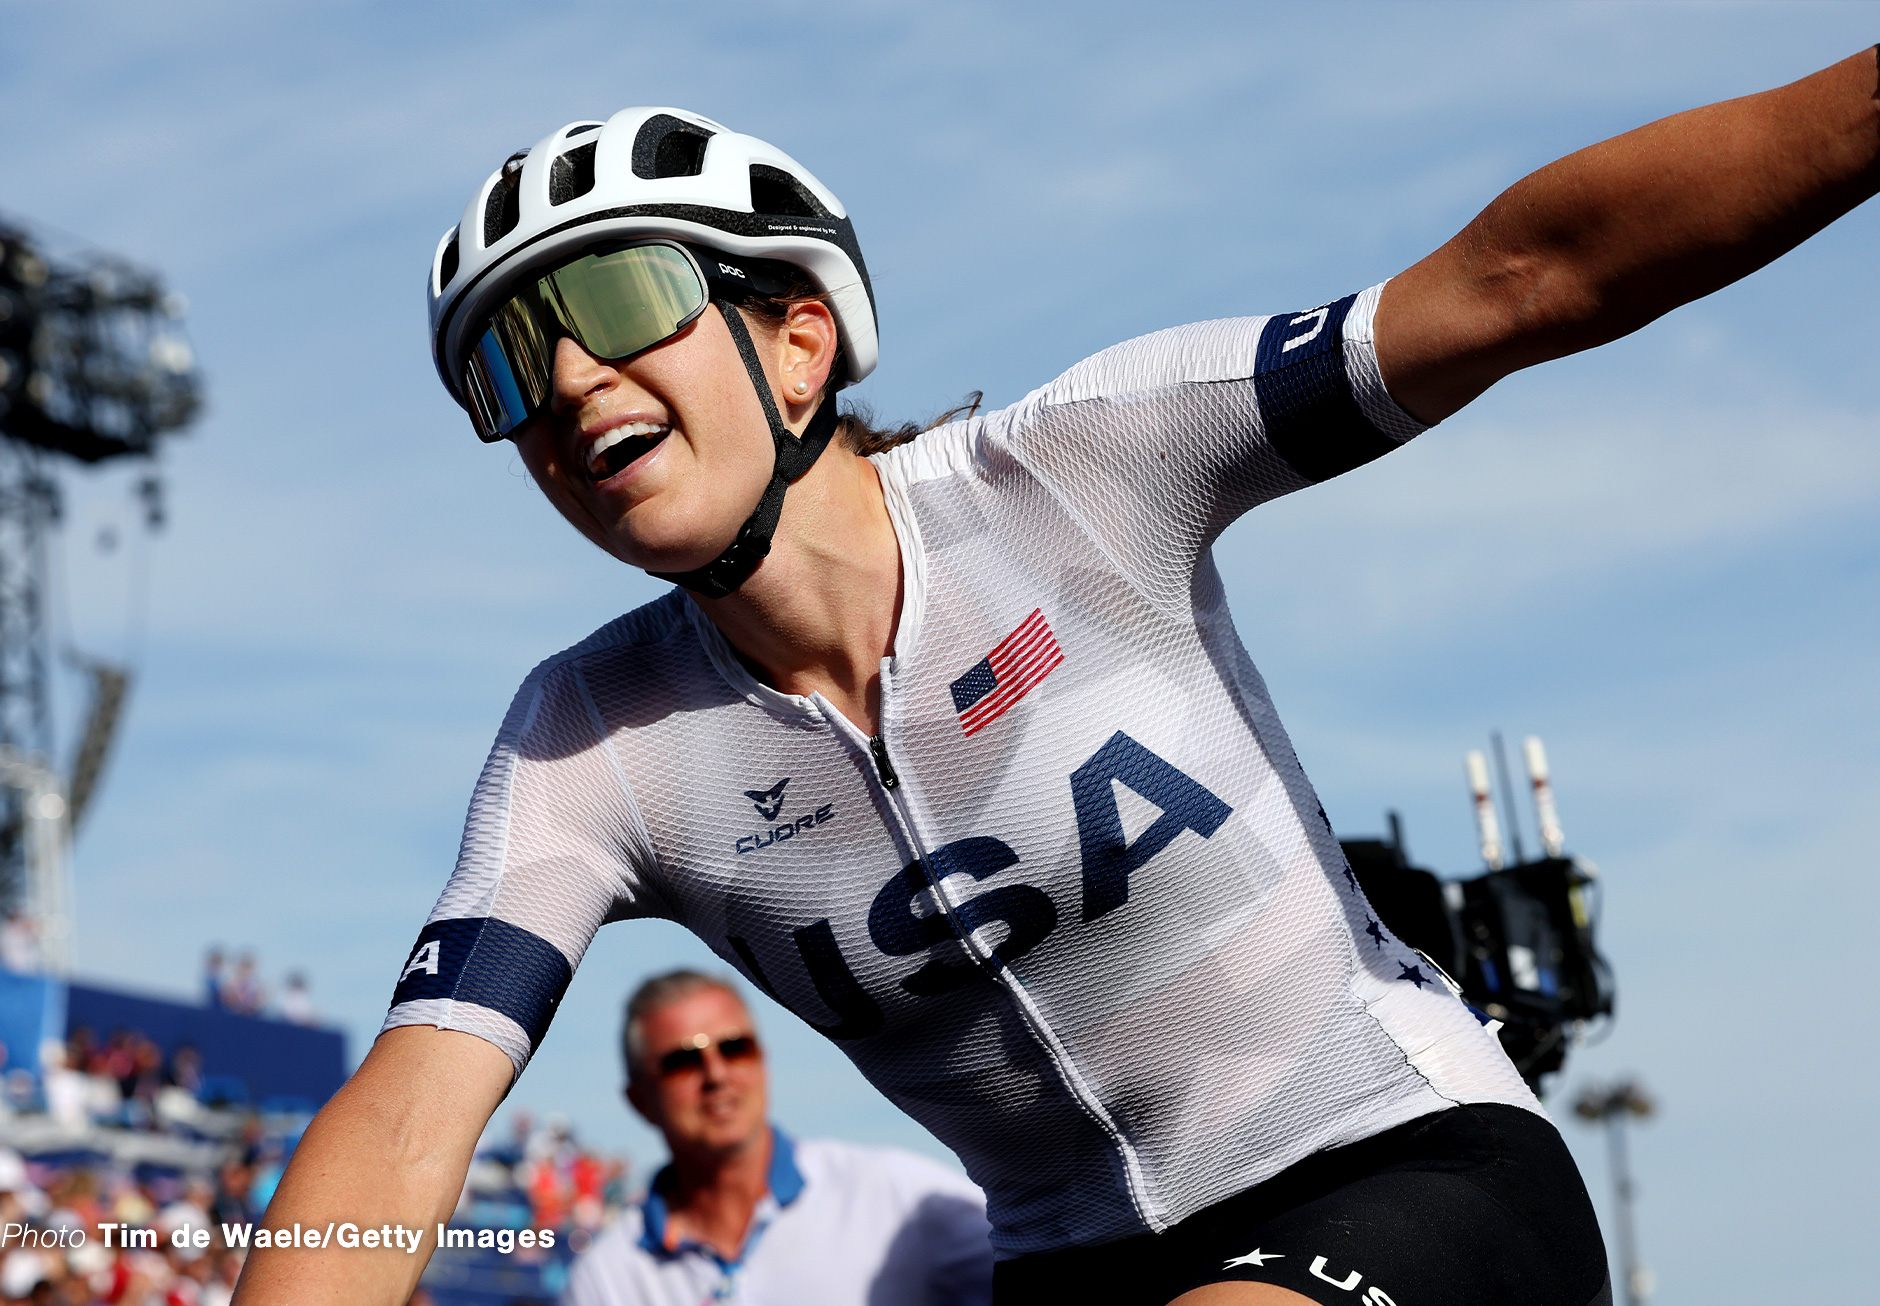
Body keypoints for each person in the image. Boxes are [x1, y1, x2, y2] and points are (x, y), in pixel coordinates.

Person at [237, 51, 1880, 1306]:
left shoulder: (1078, 468)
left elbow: (1525, 278)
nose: (566, 374)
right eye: (507, 363)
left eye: (611, 300)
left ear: (801, 336)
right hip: (1075, 1270)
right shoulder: (584, 740)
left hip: (1401, 1165)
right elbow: (405, 1118)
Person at [567, 971, 992, 1306]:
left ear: (762, 1063)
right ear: (640, 1101)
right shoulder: (608, 1278)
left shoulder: (895, 1195)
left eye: (735, 1048)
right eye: (682, 1061)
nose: (716, 1075)